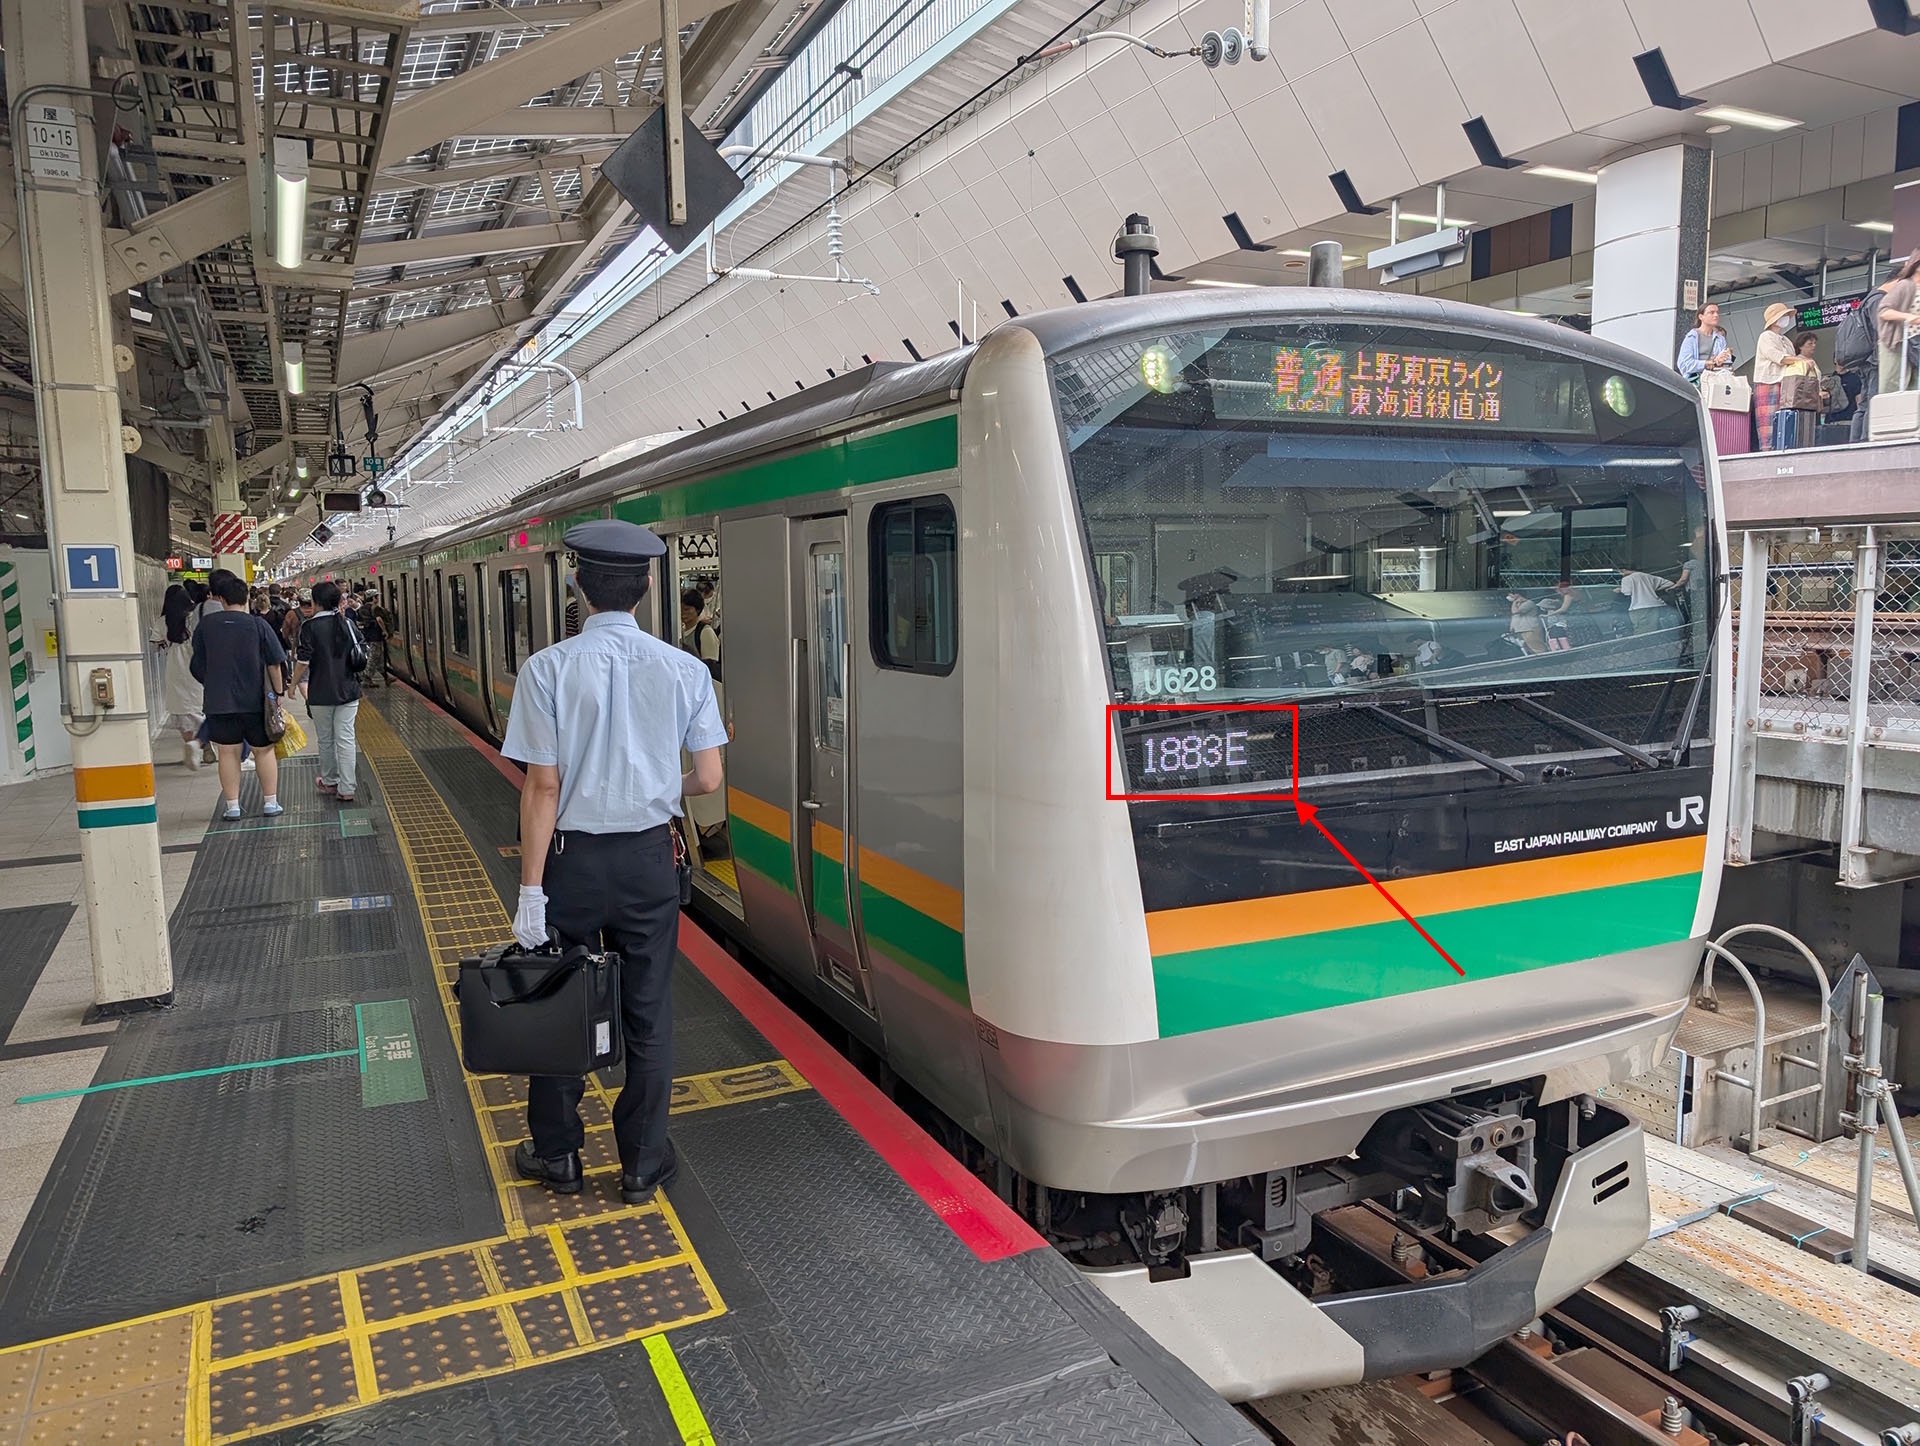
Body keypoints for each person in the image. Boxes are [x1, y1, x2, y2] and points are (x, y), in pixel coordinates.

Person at [502, 520, 727, 1205]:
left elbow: (542, 787)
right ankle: (641, 1165)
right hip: (648, 862)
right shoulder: (685, 669)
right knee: (649, 1014)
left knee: (561, 1004)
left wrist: (531, 891)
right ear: (649, 586)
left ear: (577, 584)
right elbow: (709, 780)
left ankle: (559, 1156)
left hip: (571, 863)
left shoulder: (546, 669)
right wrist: (659, 784)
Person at [190, 571, 287, 820]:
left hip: (219, 703)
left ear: (221, 599)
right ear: (247, 598)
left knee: (227, 753)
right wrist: (278, 693)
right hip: (255, 702)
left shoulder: (206, 626)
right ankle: (270, 803)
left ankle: (232, 806)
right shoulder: (257, 624)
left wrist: (213, 683)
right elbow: (275, 663)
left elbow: (197, 665)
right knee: (263, 751)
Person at [292, 579, 362, 803]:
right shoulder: (347, 624)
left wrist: (292, 685)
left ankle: (330, 781)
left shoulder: (309, 627)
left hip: (320, 692)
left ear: (315, 602)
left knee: (325, 739)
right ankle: (348, 787)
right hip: (348, 690)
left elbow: (303, 661)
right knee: (346, 738)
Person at [149, 584, 205, 767]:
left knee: (182, 712)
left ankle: (190, 743)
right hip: (196, 669)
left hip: (175, 670)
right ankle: (204, 742)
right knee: (201, 707)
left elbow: (155, 646)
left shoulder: (163, 621)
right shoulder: (193, 618)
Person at [1875, 250, 1920, 397]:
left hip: (1915, 343)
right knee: (1892, 387)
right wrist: (1908, 317)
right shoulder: (1906, 285)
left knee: (1914, 387)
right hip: (1898, 341)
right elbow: (1883, 311)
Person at [1752, 302, 1796, 451]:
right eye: (1783, 315)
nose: (1786, 318)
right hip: (1768, 383)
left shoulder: (1786, 340)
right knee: (1769, 424)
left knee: (1783, 420)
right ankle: (1767, 451)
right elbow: (1779, 357)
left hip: (1785, 383)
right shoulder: (1766, 337)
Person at [1774, 332, 1825, 450]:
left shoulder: (1812, 362)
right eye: (1810, 343)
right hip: (1803, 405)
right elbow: (1795, 385)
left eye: (1814, 343)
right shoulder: (1796, 363)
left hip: (1812, 403)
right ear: (1801, 346)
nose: (1813, 346)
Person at [1675, 301, 1733, 380]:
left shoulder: (1720, 339)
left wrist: (1724, 359)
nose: (1716, 315)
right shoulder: (1692, 337)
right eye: (1711, 312)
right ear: (1701, 317)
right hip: (1696, 381)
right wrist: (1707, 363)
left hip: (1715, 379)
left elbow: (1726, 363)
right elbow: (1684, 364)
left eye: (1717, 312)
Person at [1618, 567, 1681, 634]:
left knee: (1643, 632)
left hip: (1639, 608)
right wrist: (1652, 589)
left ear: (1624, 570)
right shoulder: (1647, 576)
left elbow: (1627, 592)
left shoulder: (1626, 579)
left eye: (1619, 572)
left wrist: (1620, 590)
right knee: (1658, 630)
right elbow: (1670, 583)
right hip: (1657, 605)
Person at [678, 589, 721, 680]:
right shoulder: (680, 631)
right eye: (680, 609)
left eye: (686, 609)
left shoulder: (705, 632)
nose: (682, 613)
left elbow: (710, 667)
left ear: (697, 610)